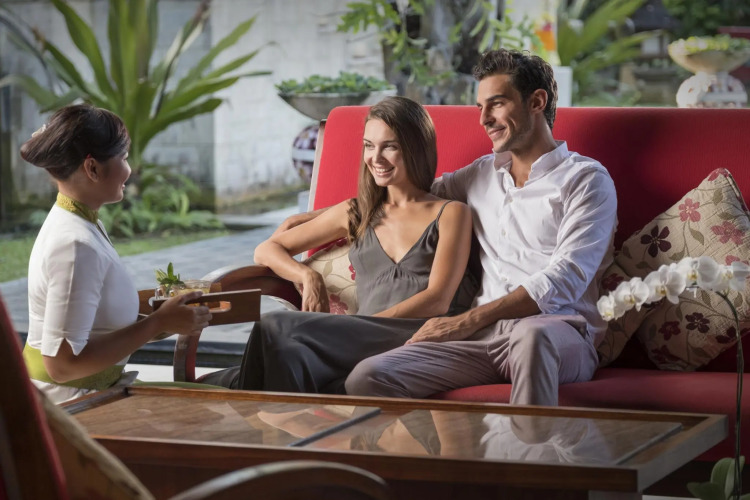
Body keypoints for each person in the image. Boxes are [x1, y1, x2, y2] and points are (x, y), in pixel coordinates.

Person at [283, 49, 617, 406]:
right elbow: (409, 196)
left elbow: (566, 277)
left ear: (537, 102)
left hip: (556, 332)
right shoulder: (480, 174)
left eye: (497, 104)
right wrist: (314, 218)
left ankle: (527, 444)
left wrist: (466, 321)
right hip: (480, 340)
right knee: (369, 376)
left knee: (532, 339)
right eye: (480, 107)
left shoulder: (585, 180)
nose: (484, 119)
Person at [202, 96, 476, 394]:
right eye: (369, 146)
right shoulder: (356, 212)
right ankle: (280, 419)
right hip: (356, 342)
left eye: (390, 146)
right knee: (285, 354)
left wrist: (355, 326)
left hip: (422, 334)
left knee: (274, 327)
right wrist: (308, 276)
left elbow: (437, 299)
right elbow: (267, 250)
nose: (376, 158)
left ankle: (237, 395)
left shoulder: (451, 213)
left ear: (416, 149)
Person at [22, 104, 212, 404]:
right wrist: (157, 323)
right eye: (123, 158)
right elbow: (61, 366)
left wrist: (163, 317)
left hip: (92, 394)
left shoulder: (81, 222)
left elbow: (95, 321)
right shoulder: (75, 245)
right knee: (227, 409)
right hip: (72, 406)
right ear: (92, 168)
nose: (129, 169)